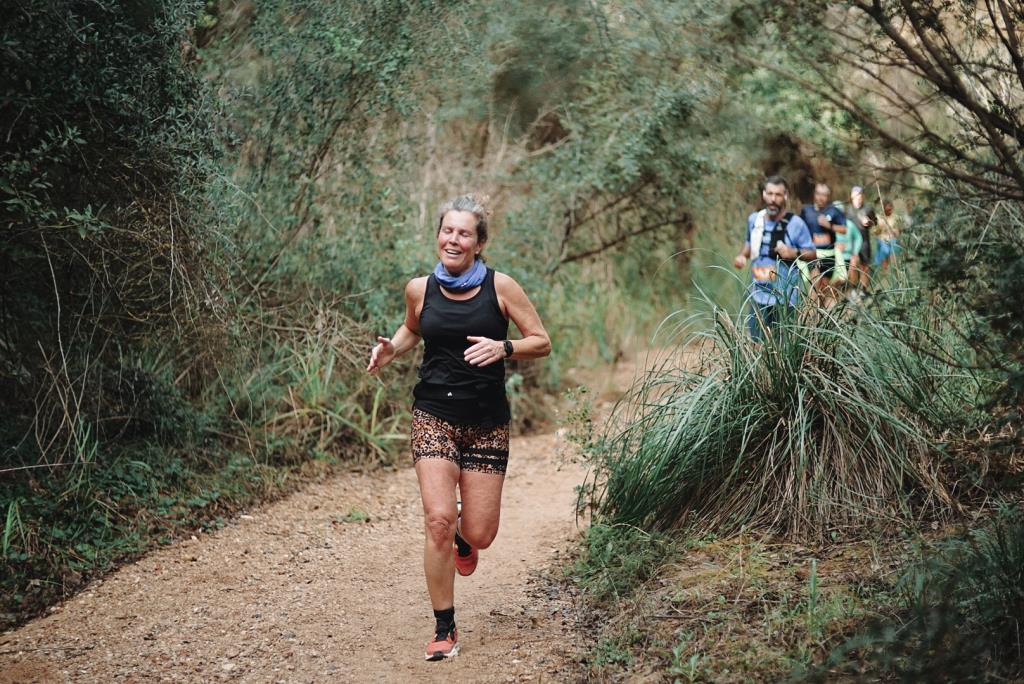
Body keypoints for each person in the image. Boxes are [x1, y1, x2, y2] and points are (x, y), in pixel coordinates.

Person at [366, 195, 551, 662]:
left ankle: (467, 540)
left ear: (479, 242)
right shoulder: (420, 288)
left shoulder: (501, 287)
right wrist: (393, 349)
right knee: (438, 520)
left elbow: (541, 341)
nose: (454, 239)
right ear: (438, 235)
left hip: (486, 422)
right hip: (433, 415)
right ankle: (444, 626)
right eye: (448, 231)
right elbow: (413, 329)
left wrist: (504, 348)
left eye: (464, 233)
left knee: (481, 533)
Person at [733, 176, 816, 340]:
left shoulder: (796, 223)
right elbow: (749, 243)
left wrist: (793, 253)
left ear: (785, 196)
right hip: (758, 294)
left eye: (778, 195)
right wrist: (742, 256)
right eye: (769, 194)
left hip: (785, 299)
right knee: (757, 344)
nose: (773, 199)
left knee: (783, 346)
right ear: (764, 195)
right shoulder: (754, 220)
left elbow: (813, 253)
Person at [799, 183, 847, 306]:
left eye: (824, 195)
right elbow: (799, 228)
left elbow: (844, 229)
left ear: (828, 196)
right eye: (818, 194)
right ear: (814, 194)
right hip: (813, 255)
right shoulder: (806, 211)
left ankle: (820, 317)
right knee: (815, 287)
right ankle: (812, 316)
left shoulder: (834, 211)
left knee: (824, 290)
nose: (821, 197)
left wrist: (829, 226)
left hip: (829, 255)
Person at [848, 185, 877, 290]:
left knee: (864, 267)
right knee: (853, 265)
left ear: (863, 196)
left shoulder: (868, 208)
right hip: (852, 243)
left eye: (860, 196)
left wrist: (869, 222)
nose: (858, 198)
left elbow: (875, 222)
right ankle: (853, 289)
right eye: (856, 196)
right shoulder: (848, 210)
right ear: (852, 197)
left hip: (864, 241)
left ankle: (864, 291)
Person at [875, 199, 905, 271]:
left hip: (893, 241)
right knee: (884, 256)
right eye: (887, 208)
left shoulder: (896, 217)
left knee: (894, 259)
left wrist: (896, 231)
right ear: (883, 208)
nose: (889, 210)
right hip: (882, 241)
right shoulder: (879, 217)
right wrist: (881, 228)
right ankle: (885, 274)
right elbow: (875, 232)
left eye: (891, 208)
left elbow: (901, 229)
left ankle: (894, 273)